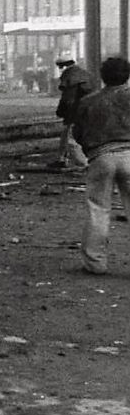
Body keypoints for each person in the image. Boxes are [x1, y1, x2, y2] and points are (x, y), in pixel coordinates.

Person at [74, 55, 130, 275]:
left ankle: (95, 263)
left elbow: (78, 133)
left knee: (98, 209)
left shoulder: (88, 101)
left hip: (101, 157)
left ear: (102, 76)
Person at [56, 55, 98, 169]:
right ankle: (61, 159)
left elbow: (68, 98)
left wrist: (62, 110)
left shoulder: (69, 75)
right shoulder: (84, 73)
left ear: (63, 66)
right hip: (89, 108)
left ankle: (83, 163)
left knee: (71, 137)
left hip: (76, 111)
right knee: (66, 134)